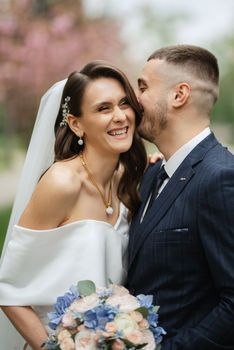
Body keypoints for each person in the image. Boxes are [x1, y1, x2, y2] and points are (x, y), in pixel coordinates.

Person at [0, 60, 147, 349]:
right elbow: (8, 291)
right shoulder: (62, 183)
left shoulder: (127, 181)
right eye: (104, 108)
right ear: (76, 124)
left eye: (124, 103)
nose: (120, 116)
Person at [127, 44, 234, 349]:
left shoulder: (221, 178)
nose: (135, 99)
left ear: (179, 95)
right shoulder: (151, 175)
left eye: (143, 87)